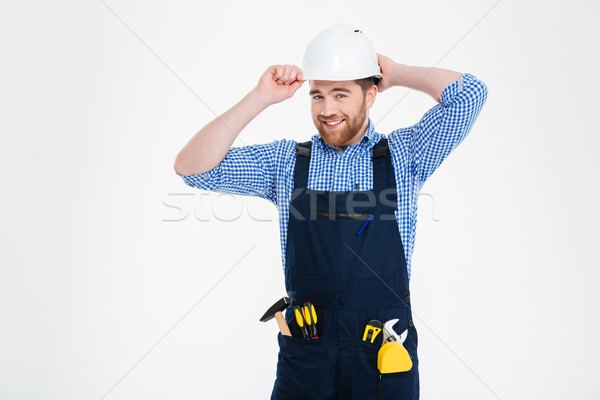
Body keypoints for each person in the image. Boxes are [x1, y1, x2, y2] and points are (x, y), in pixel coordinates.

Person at [174, 24, 488, 400]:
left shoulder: (407, 155)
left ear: (370, 96)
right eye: (317, 95)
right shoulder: (285, 161)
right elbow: (193, 168)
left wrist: (395, 72)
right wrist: (259, 97)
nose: (327, 110)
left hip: (382, 351)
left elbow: (470, 95)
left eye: (341, 94)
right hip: (309, 351)